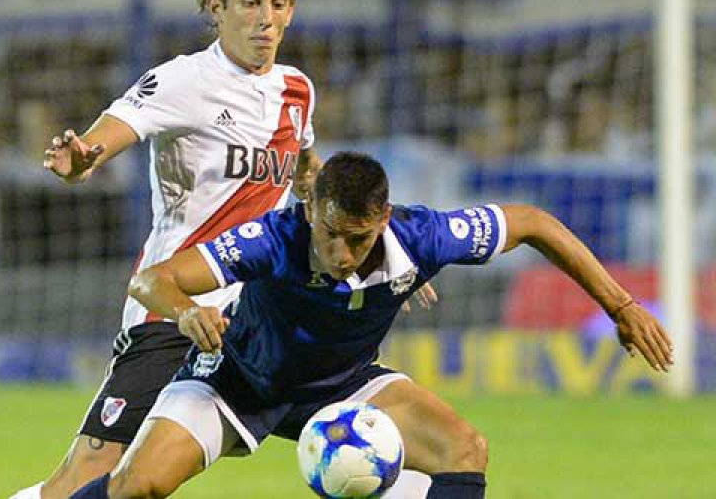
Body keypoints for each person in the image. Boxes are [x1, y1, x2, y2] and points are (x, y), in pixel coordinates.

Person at [11, 0, 433, 498]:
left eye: (278, 5)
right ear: (217, 7)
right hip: (177, 307)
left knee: (395, 446)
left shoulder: (296, 90)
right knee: (93, 474)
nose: (266, 19)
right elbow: (102, 143)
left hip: (260, 315)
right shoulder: (183, 80)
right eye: (251, 3)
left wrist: (386, 249)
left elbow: (309, 178)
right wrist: (81, 159)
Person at [67, 151, 674, 499]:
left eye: (358, 239)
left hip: (343, 384)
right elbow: (151, 280)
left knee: (466, 450)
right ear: (310, 212)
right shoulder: (272, 239)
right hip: (239, 379)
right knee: (135, 489)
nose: (341, 253)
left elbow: (534, 222)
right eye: (330, 235)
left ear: (383, 218)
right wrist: (186, 309)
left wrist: (621, 306)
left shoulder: (423, 236)